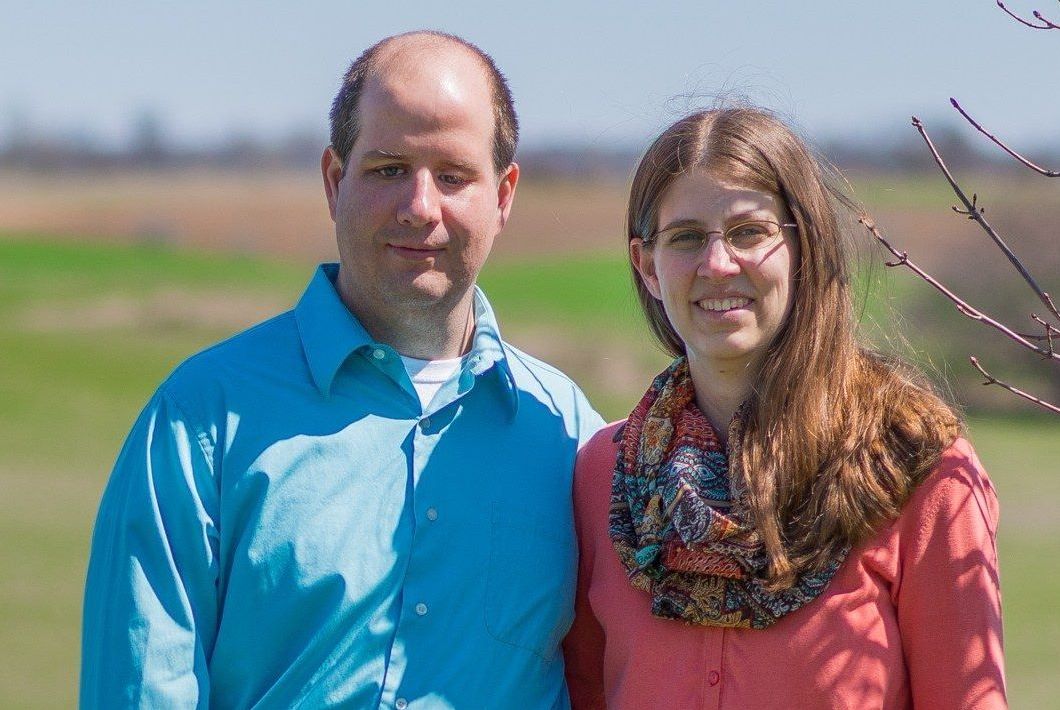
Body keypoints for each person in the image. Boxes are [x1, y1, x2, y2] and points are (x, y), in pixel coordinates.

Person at [81, 31, 603, 708]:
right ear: (334, 181)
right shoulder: (201, 420)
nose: (420, 206)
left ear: (503, 195)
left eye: (453, 175)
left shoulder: (570, 436)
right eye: (388, 169)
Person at [563, 107, 1006, 709]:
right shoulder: (604, 476)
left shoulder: (919, 469)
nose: (717, 264)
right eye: (687, 236)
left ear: (805, 247)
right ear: (647, 265)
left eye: (748, 231)